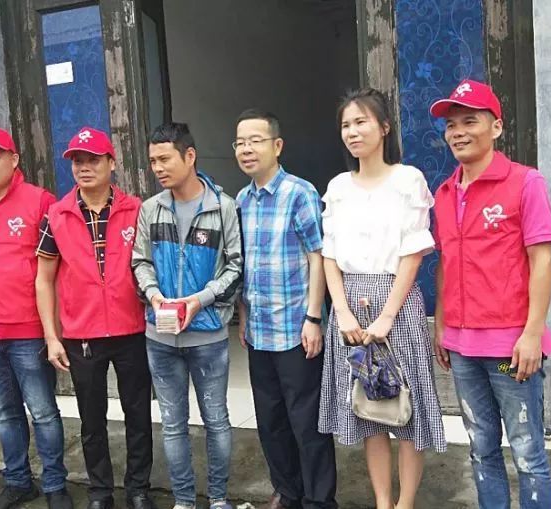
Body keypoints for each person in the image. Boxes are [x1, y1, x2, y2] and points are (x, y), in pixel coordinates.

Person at [430, 79, 551, 509]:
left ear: (496, 127)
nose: (458, 132)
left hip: (511, 347)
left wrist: (532, 334)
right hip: (462, 347)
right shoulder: (445, 193)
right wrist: (442, 323)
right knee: (481, 447)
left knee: (527, 450)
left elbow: (541, 260)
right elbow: (446, 262)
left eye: (470, 121)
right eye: (451, 125)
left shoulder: (525, 183)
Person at [318, 89, 446, 509]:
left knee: (407, 412)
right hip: (350, 306)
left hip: (397, 302)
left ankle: (405, 503)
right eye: (346, 125)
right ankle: (382, 501)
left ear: (384, 127)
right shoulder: (338, 187)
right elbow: (329, 253)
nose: (352, 132)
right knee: (369, 411)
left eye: (361, 122)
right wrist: (341, 311)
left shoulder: (407, 180)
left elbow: (413, 253)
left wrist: (388, 315)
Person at [37, 127, 156, 509]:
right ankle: (100, 491)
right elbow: (44, 279)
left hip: (131, 327)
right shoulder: (57, 215)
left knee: (138, 413)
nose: (84, 167)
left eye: (93, 160)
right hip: (81, 332)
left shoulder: (136, 210)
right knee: (91, 419)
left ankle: (138, 488)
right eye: (78, 161)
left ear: (111, 163)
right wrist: (52, 336)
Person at [0, 124, 72, 509]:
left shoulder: (39, 202)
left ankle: (54, 484)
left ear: (14, 159)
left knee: (43, 412)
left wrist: (53, 329)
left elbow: (54, 268)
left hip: (28, 330)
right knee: (5, 414)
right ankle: (18, 481)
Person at [132, 122, 242, 509]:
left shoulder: (223, 207)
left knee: (216, 420)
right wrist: (154, 295)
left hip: (207, 336)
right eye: (153, 161)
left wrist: (199, 300)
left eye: (165, 159)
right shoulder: (151, 209)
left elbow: (236, 266)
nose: (158, 168)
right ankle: (183, 501)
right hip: (160, 338)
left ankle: (218, 498)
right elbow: (140, 262)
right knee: (173, 424)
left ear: (189, 156)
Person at [234, 109, 337, 509]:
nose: (246, 149)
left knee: (307, 422)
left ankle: (319, 500)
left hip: (296, 329)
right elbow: (243, 264)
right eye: (240, 142)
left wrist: (314, 316)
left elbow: (318, 256)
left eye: (255, 140)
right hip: (259, 330)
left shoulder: (300, 192)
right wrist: (243, 316)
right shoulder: (241, 200)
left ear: (277, 146)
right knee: (271, 421)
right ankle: (288, 492)